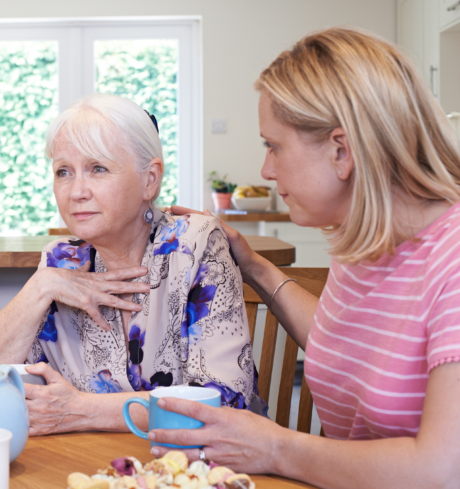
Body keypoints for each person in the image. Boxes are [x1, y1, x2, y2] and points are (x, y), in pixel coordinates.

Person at [151, 28, 460, 488]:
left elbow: (440, 471)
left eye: (273, 146)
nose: (266, 170)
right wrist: (253, 266)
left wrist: (274, 447)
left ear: (341, 151)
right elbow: (347, 348)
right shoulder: (367, 241)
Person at [0, 93, 264, 436]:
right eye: (63, 172)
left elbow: (224, 403)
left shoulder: (194, 244)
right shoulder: (61, 260)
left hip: (187, 461)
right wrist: (42, 285)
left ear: (149, 179)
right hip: (84, 461)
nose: (76, 192)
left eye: (98, 168)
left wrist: (80, 410)